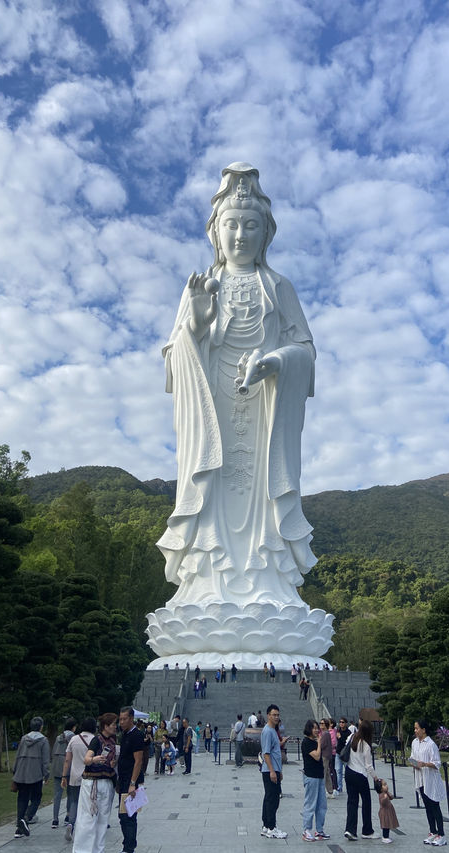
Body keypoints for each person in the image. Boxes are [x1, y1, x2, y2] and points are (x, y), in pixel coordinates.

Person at [149, 162, 329, 665]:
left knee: (262, 504)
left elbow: (307, 355)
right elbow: (173, 362)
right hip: (216, 415)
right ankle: (206, 587)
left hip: (267, 415)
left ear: (265, 232)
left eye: (251, 224)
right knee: (214, 492)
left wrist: (276, 360)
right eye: (232, 223)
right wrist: (198, 322)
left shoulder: (280, 287)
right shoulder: (202, 286)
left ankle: (268, 586)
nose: (241, 233)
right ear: (216, 231)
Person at [72, 712, 118, 853]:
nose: (115, 727)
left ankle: (98, 849)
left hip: (107, 781)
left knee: (103, 820)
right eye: (113, 724)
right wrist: (94, 759)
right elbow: (86, 759)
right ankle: (83, 850)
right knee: (88, 819)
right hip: (93, 783)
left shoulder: (113, 741)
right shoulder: (96, 740)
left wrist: (112, 763)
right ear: (105, 726)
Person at [12, 715, 50, 838]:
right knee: (36, 798)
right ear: (41, 727)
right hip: (35, 773)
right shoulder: (43, 740)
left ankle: (19, 827)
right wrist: (46, 774)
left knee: (22, 799)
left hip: (21, 772)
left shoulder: (24, 738)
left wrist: (15, 771)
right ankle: (26, 818)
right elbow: (45, 760)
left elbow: (17, 755)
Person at [411, 720, 446, 847]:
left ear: (423, 730)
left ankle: (441, 834)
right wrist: (414, 764)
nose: (415, 731)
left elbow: (437, 763)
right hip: (420, 778)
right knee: (427, 807)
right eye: (414, 728)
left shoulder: (431, 745)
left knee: (434, 806)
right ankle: (432, 831)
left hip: (431, 780)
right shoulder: (415, 743)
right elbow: (413, 757)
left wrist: (425, 764)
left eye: (417, 728)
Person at [344, 719, 380, 841]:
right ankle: (367, 830)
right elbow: (368, 766)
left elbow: (345, 745)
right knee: (366, 802)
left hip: (349, 771)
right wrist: (376, 778)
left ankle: (350, 830)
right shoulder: (365, 745)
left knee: (352, 802)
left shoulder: (352, 737)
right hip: (360, 775)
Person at [62, 716, 96, 842]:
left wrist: (64, 776)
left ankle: (71, 823)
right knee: (89, 803)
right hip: (90, 776)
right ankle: (86, 827)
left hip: (75, 776)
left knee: (74, 802)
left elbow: (67, 760)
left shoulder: (74, 739)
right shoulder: (95, 740)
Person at [116, 706, 145, 853]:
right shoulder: (125, 734)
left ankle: (129, 847)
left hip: (131, 782)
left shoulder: (136, 735)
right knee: (123, 815)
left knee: (128, 815)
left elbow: (138, 761)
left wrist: (132, 784)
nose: (121, 722)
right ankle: (128, 845)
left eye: (124, 719)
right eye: (120, 719)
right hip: (124, 780)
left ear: (131, 719)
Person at [260, 704, 287, 839]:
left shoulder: (272, 730)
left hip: (274, 769)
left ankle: (266, 826)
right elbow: (266, 754)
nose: (276, 717)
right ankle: (271, 827)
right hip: (269, 770)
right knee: (273, 799)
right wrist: (272, 771)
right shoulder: (267, 731)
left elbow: (275, 751)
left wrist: (278, 770)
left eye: (277, 715)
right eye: (274, 715)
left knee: (269, 797)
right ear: (268, 715)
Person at [301, 719, 329, 841]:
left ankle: (319, 830)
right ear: (309, 729)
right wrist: (319, 743)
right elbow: (317, 756)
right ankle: (306, 830)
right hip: (311, 777)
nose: (317, 730)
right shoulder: (307, 742)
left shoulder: (314, 741)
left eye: (317, 728)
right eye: (314, 728)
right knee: (310, 804)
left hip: (319, 776)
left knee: (321, 805)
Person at [51, 717, 76, 829]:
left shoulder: (58, 737)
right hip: (68, 766)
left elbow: (53, 752)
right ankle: (68, 816)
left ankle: (55, 819)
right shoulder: (73, 737)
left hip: (57, 766)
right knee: (70, 793)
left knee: (57, 794)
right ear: (73, 727)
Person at [378, 778, 399, 844]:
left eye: (386, 784)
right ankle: (385, 837)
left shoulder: (386, 793)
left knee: (388, 824)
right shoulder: (382, 795)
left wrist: (389, 794)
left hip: (388, 811)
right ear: (380, 788)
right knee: (385, 824)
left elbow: (391, 797)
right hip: (384, 812)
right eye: (384, 785)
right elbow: (382, 802)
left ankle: (387, 836)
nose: (386, 786)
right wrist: (385, 798)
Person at [335, 717, 351, 794]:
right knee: (338, 771)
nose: (341, 723)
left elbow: (346, 743)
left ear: (346, 723)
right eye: (340, 722)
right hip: (338, 753)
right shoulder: (338, 731)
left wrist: (340, 737)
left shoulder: (348, 733)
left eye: (343, 722)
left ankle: (349, 786)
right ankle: (339, 787)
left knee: (347, 771)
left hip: (345, 754)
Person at [318, 718, 334, 797]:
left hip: (324, 755)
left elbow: (322, 745)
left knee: (323, 773)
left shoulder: (325, 734)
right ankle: (330, 791)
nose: (321, 725)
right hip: (326, 755)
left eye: (322, 723)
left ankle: (322, 790)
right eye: (320, 723)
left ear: (326, 725)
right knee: (327, 773)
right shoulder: (325, 733)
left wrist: (318, 742)